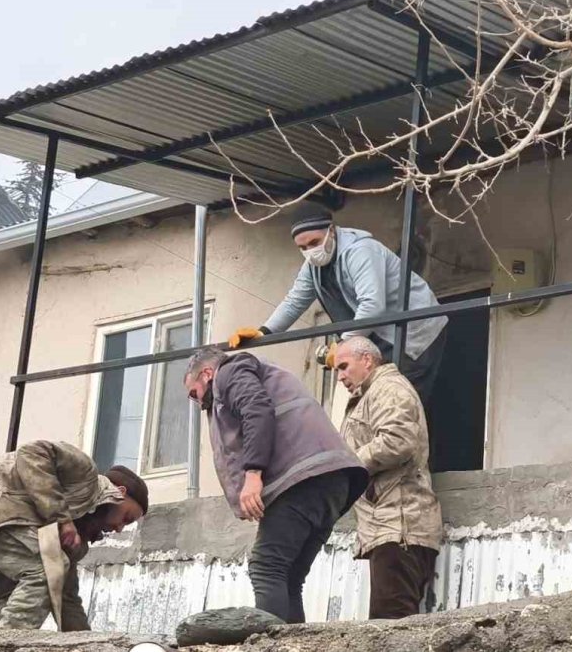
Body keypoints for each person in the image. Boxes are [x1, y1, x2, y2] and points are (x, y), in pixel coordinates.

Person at [183, 348, 367, 624]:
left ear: (207, 374)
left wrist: (253, 474)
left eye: (193, 393)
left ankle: (272, 643)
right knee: (289, 576)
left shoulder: (229, 372)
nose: (197, 403)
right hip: (332, 480)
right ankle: (292, 642)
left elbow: (256, 409)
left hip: (304, 479)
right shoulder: (252, 374)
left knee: (266, 568)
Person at [229, 201, 448, 407]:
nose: (310, 251)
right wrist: (264, 332)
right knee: (375, 403)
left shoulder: (361, 251)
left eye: (314, 243)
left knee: (400, 403)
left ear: (331, 231)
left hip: (414, 333)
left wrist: (343, 346)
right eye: (302, 247)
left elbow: (373, 304)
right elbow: (294, 301)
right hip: (378, 336)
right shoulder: (313, 267)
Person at [0, 440, 148, 631]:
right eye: (126, 518)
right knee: (45, 569)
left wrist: (83, 644)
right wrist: (61, 518)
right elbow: (32, 453)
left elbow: (65, 595)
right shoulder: (85, 474)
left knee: (20, 588)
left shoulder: (75, 532)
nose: (120, 528)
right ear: (120, 492)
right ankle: (4, 644)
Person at [332, 336, 443, 619]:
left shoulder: (388, 388)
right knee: (391, 626)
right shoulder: (372, 393)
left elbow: (397, 441)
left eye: (344, 366)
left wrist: (347, 465)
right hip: (390, 528)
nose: (340, 377)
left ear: (367, 360)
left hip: (400, 527)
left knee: (390, 626)